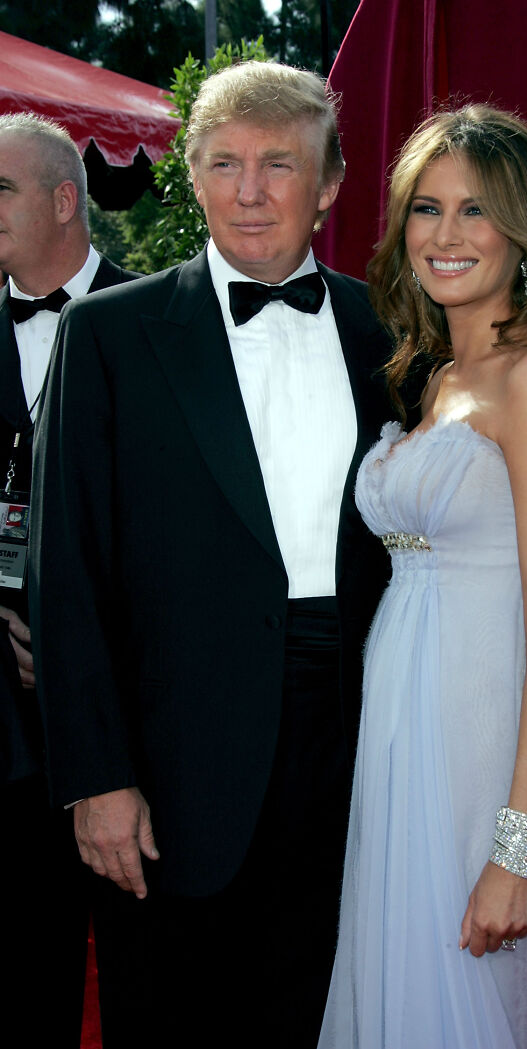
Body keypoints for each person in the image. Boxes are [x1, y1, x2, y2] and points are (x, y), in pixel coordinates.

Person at [29, 62, 392, 1048]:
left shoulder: (388, 332)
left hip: (358, 747)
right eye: (223, 162)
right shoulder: (107, 333)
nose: (248, 188)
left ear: (328, 184)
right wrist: (95, 777)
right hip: (168, 759)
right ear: (191, 176)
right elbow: (65, 569)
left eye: (280, 163)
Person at [318, 104, 527, 1049]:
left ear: (525, 230)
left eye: (476, 211)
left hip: (489, 753)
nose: (445, 234)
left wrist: (520, 844)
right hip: (400, 743)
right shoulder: (435, 378)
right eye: (426, 208)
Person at [0, 111, 140, 1048]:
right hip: (5, 729)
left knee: (147, 984)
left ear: (62, 199)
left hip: (134, 726)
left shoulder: (165, 320)